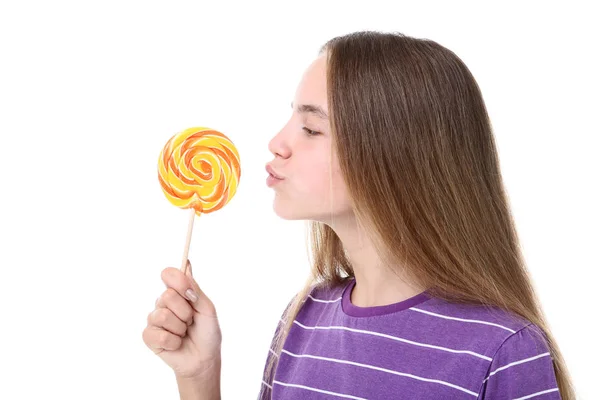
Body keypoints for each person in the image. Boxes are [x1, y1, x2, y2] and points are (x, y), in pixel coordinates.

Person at [142, 31, 576, 399]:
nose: (277, 142)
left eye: (312, 129)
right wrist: (199, 375)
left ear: (393, 155)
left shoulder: (503, 351)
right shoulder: (303, 319)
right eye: (291, 118)